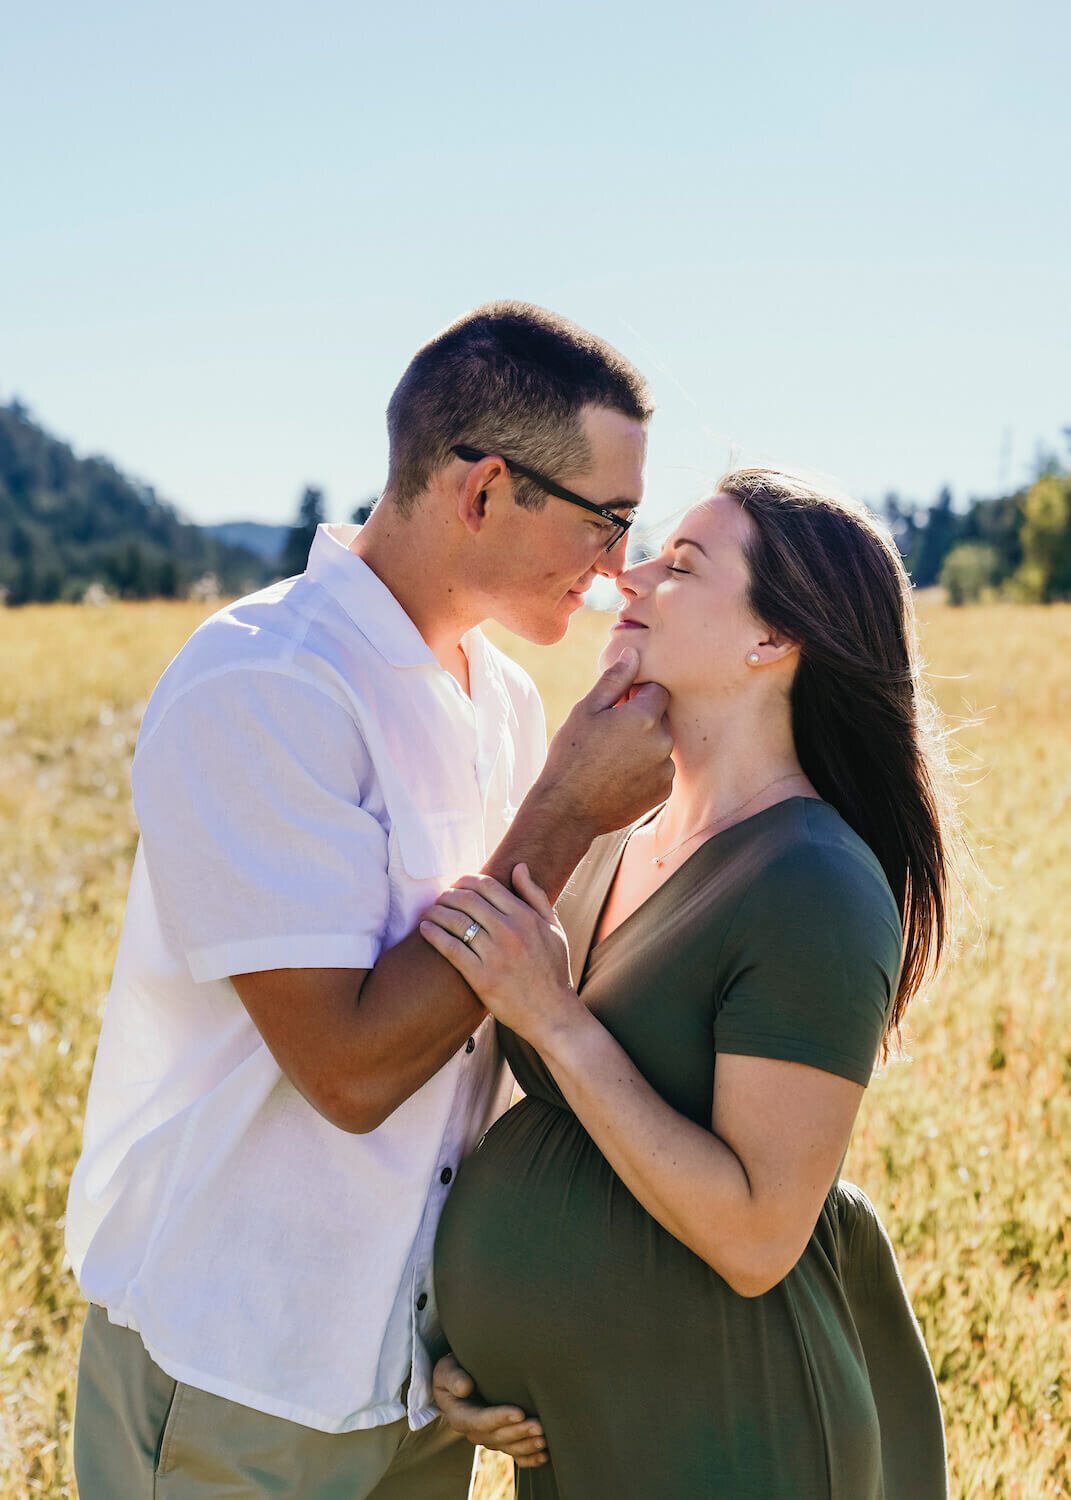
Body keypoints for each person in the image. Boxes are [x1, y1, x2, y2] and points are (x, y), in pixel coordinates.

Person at [65, 301, 675, 1499]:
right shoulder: (263, 688)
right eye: (609, 520)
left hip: (417, 1384)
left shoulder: (500, 702)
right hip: (239, 1377)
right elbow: (347, 1072)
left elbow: (491, 1041)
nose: (619, 566)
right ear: (486, 490)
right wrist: (560, 813)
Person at [423, 469, 955, 1498]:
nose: (626, 574)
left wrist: (555, 1018)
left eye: (682, 564)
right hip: (598, 1432)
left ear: (772, 641)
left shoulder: (811, 879)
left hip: (734, 1432)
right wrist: (475, 1348)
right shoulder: (621, 837)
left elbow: (758, 1235)